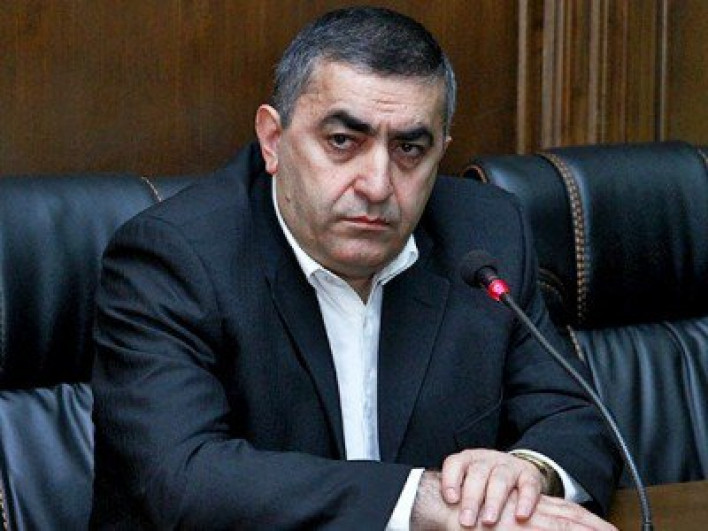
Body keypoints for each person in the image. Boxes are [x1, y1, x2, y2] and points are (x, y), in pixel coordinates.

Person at [91, 6, 621, 530]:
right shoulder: (174, 258)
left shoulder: (484, 234)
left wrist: (526, 472)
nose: (377, 184)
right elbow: (183, 478)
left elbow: (575, 419)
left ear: (441, 152)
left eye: (410, 148)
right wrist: (417, 500)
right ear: (273, 140)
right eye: (343, 141)